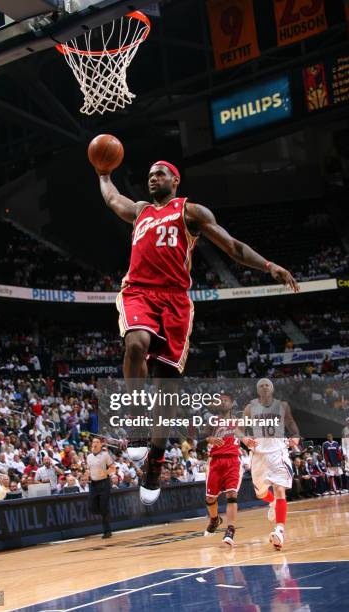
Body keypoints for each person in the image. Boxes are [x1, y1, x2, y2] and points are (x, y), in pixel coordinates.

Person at [96, 160, 299, 505]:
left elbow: (233, 247)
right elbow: (114, 198)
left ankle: (155, 464)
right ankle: (135, 420)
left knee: (166, 390)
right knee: (135, 344)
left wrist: (269, 265)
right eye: (148, 176)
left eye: (159, 173)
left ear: (175, 180)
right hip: (139, 293)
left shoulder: (190, 211)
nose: (152, 179)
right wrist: (103, 174)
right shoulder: (141, 211)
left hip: (175, 301)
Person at [243, 378, 300, 550]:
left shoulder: (282, 405)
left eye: (267, 384)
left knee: (279, 489)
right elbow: (241, 429)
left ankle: (280, 530)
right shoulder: (249, 407)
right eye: (261, 385)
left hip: (278, 452)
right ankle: (272, 502)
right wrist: (245, 438)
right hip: (259, 454)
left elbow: (290, 423)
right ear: (258, 390)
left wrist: (296, 436)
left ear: (272, 389)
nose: (265, 387)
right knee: (261, 494)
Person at [203, 394, 246, 546]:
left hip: (233, 460)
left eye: (226, 400)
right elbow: (201, 439)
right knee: (210, 498)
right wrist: (209, 439)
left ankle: (230, 530)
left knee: (232, 494)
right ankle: (215, 519)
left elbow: (245, 439)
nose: (222, 402)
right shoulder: (212, 421)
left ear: (232, 403)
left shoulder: (239, 421)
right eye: (220, 400)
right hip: (215, 461)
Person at [87, 438, 115, 539]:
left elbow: (113, 468)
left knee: (103, 508)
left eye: (97, 442)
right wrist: (87, 475)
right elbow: (88, 469)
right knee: (92, 507)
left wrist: (105, 472)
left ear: (100, 445)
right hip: (93, 484)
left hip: (104, 483)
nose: (95, 444)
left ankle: (107, 531)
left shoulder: (105, 455)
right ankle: (105, 512)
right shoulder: (89, 456)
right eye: (94, 442)